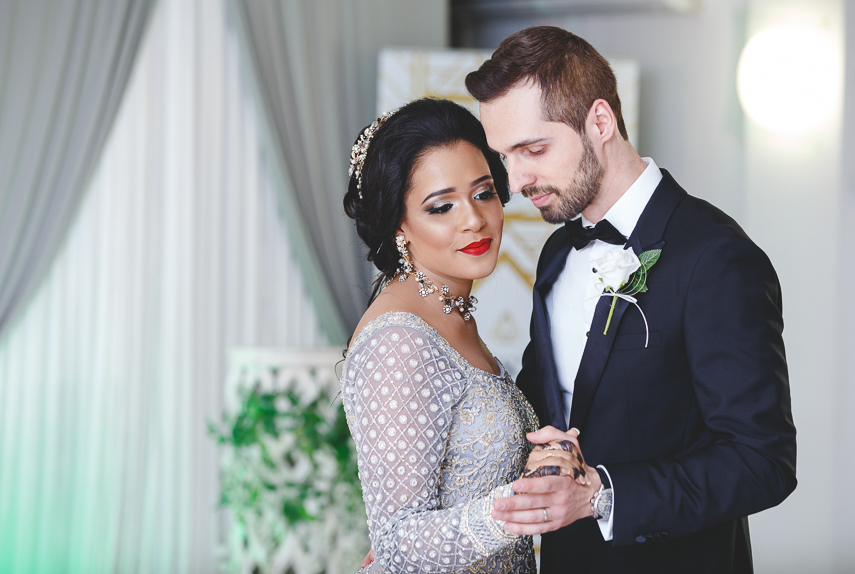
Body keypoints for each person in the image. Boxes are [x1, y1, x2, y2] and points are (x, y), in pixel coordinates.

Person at [464, 26, 797, 573]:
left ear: (600, 121)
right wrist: (421, 535)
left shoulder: (715, 257)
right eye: (505, 157)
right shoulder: (555, 257)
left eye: (533, 149)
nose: (516, 180)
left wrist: (602, 496)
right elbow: (540, 414)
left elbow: (762, 461)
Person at [340, 97, 588, 574]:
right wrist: (522, 503)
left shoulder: (453, 316)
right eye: (441, 207)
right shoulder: (399, 342)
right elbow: (397, 544)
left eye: (483, 193)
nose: (473, 220)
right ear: (399, 223)